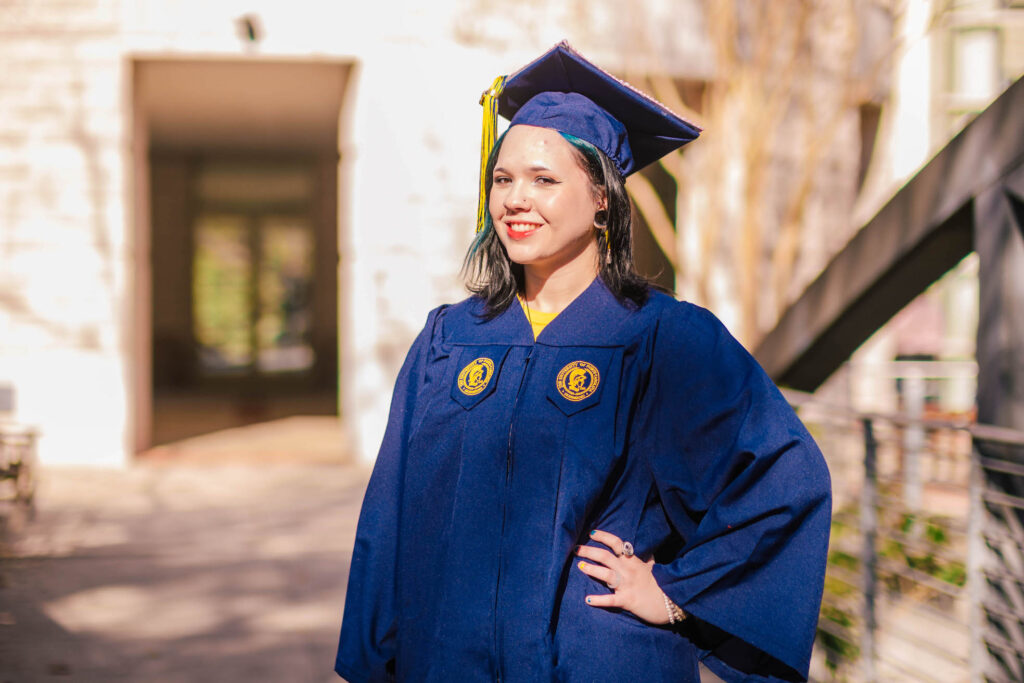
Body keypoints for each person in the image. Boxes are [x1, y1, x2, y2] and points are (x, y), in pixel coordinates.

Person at [335, 41, 831, 683]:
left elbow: (784, 478)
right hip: (448, 656)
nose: (516, 199)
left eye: (544, 180)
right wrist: (372, 661)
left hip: (599, 658)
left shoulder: (664, 338)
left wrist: (677, 591)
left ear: (602, 198)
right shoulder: (450, 338)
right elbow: (393, 511)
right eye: (503, 178)